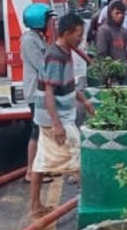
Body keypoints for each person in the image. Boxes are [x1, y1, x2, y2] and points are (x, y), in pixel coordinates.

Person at [31, 12, 95, 218]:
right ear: (66, 33)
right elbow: (49, 91)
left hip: (58, 115)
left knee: (41, 161)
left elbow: (67, 84)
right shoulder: (55, 56)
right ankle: (91, 201)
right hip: (56, 118)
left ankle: (35, 205)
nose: (80, 39)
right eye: (78, 34)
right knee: (79, 154)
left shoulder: (66, 52)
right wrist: (57, 124)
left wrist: (84, 101)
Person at [21, 3, 53, 183]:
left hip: (41, 91)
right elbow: (42, 66)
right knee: (37, 131)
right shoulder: (29, 40)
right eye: (47, 19)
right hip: (36, 92)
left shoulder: (38, 38)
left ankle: (42, 169)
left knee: (43, 131)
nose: (49, 23)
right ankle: (31, 171)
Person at [94, 1, 127, 82]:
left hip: (123, 71)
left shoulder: (122, 30)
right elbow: (101, 54)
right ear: (110, 14)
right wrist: (107, 73)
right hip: (110, 74)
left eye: (122, 13)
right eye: (117, 13)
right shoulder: (104, 31)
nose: (120, 16)